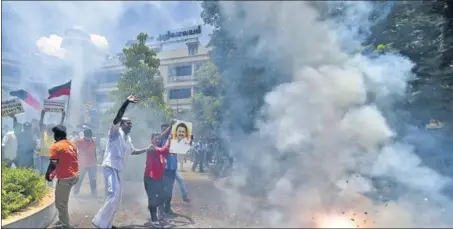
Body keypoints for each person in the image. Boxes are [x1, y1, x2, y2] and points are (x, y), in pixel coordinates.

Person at [92, 95, 150, 229]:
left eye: (131, 123)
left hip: (118, 169)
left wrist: (146, 149)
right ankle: (99, 222)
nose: (131, 125)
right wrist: (126, 102)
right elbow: (117, 117)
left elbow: (133, 151)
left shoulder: (127, 138)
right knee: (113, 194)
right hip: (110, 166)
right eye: (128, 123)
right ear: (121, 124)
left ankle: (107, 224)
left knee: (117, 199)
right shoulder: (115, 133)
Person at [132, 132, 171, 227]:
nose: (158, 140)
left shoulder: (158, 149)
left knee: (163, 196)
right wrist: (169, 139)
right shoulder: (152, 148)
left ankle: (151, 208)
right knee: (153, 199)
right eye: (156, 139)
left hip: (157, 179)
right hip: (150, 178)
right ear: (151, 139)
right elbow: (164, 150)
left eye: (159, 139)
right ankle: (154, 221)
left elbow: (165, 152)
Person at [45, 124, 79, 228]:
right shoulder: (72, 144)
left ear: (58, 136)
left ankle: (65, 225)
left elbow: (53, 164)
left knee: (61, 203)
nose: (54, 136)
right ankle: (62, 220)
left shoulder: (56, 146)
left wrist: (47, 175)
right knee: (61, 201)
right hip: (75, 175)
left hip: (65, 178)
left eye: (55, 134)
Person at [37, 110, 65, 175]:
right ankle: (43, 183)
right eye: (48, 128)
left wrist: (63, 116)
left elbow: (61, 126)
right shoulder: (43, 134)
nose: (50, 129)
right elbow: (41, 125)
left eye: (51, 128)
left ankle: (50, 183)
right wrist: (42, 115)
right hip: (44, 156)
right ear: (46, 128)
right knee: (43, 172)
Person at [73, 128, 97, 197]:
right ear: (84, 135)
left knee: (93, 179)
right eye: (87, 136)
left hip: (92, 164)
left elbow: (94, 151)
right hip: (82, 164)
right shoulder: (79, 141)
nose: (89, 138)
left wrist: (96, 161)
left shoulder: (93, 141)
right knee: (79, 179)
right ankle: (75, 192)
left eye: (90, 136)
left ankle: (94, 194)